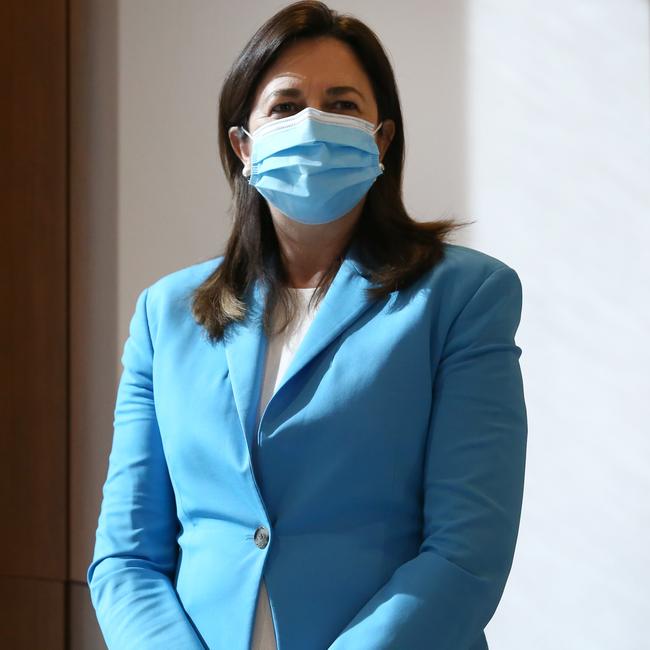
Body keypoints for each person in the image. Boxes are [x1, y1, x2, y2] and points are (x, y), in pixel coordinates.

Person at [86, 2, 528, 649]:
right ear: (243, 144)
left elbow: (466, 553)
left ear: (381, 138)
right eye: (286, 105)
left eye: (343, 103)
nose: (313, 123)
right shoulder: (166, 313)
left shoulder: (462, 296)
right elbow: (125, 559)